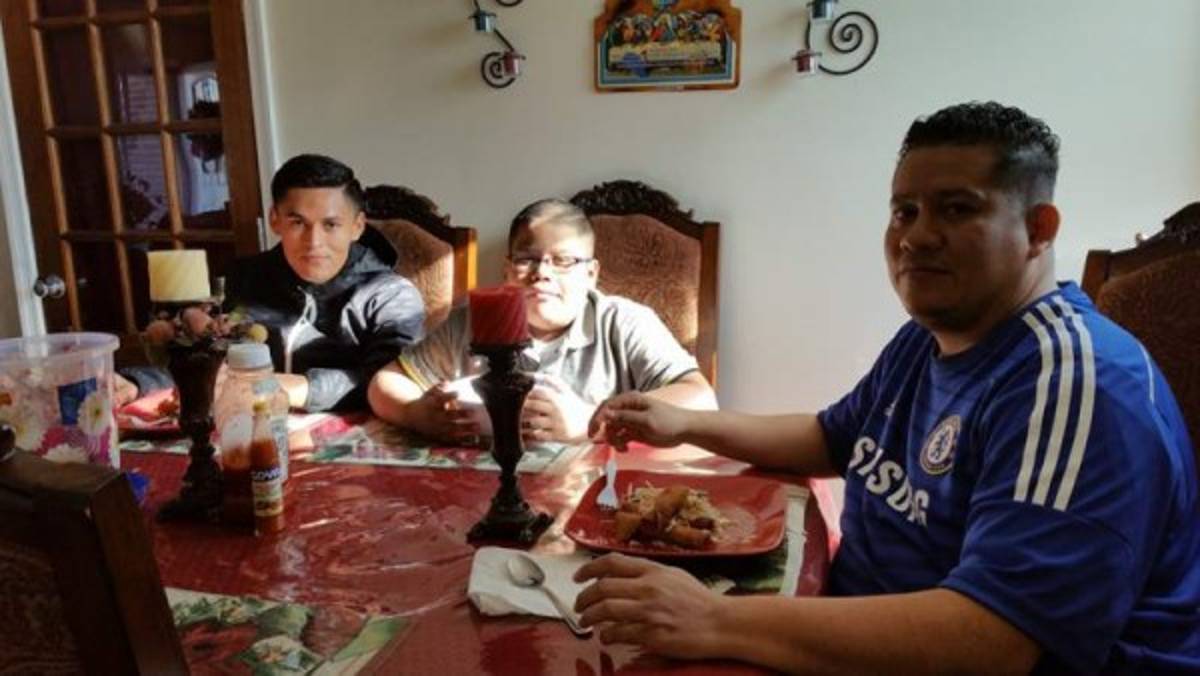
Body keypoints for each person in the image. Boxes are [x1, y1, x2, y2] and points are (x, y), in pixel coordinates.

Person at [579, 102, 1200, 674]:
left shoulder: (1076, 384)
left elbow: (995, 641)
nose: (916, 236)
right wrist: (685, 424)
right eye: (905, 211)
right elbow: (830, 438)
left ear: (1039, 229)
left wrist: (714, 620)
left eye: (957, 209)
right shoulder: (926, 339)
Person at [368, 198, 716, 444]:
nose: (542, 273)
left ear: (591, 274)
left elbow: (700, 399)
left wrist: (594, 420)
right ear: (507, 269)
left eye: (563, 261)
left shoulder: (624, 323)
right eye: (527, 259)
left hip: (595, 493)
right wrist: (417, 413)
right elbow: (384, 383)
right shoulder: (473, 320)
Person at [221, 153, 425, 411]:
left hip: (355, 432)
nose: (314, 242)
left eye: (330, 225)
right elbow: (226, 356)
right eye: (298, 223)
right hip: (249, 422)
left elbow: (392, 384)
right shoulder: (246, 277)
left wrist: (291, 389)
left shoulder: (391, 296)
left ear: (357, 226)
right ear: (275, 220)